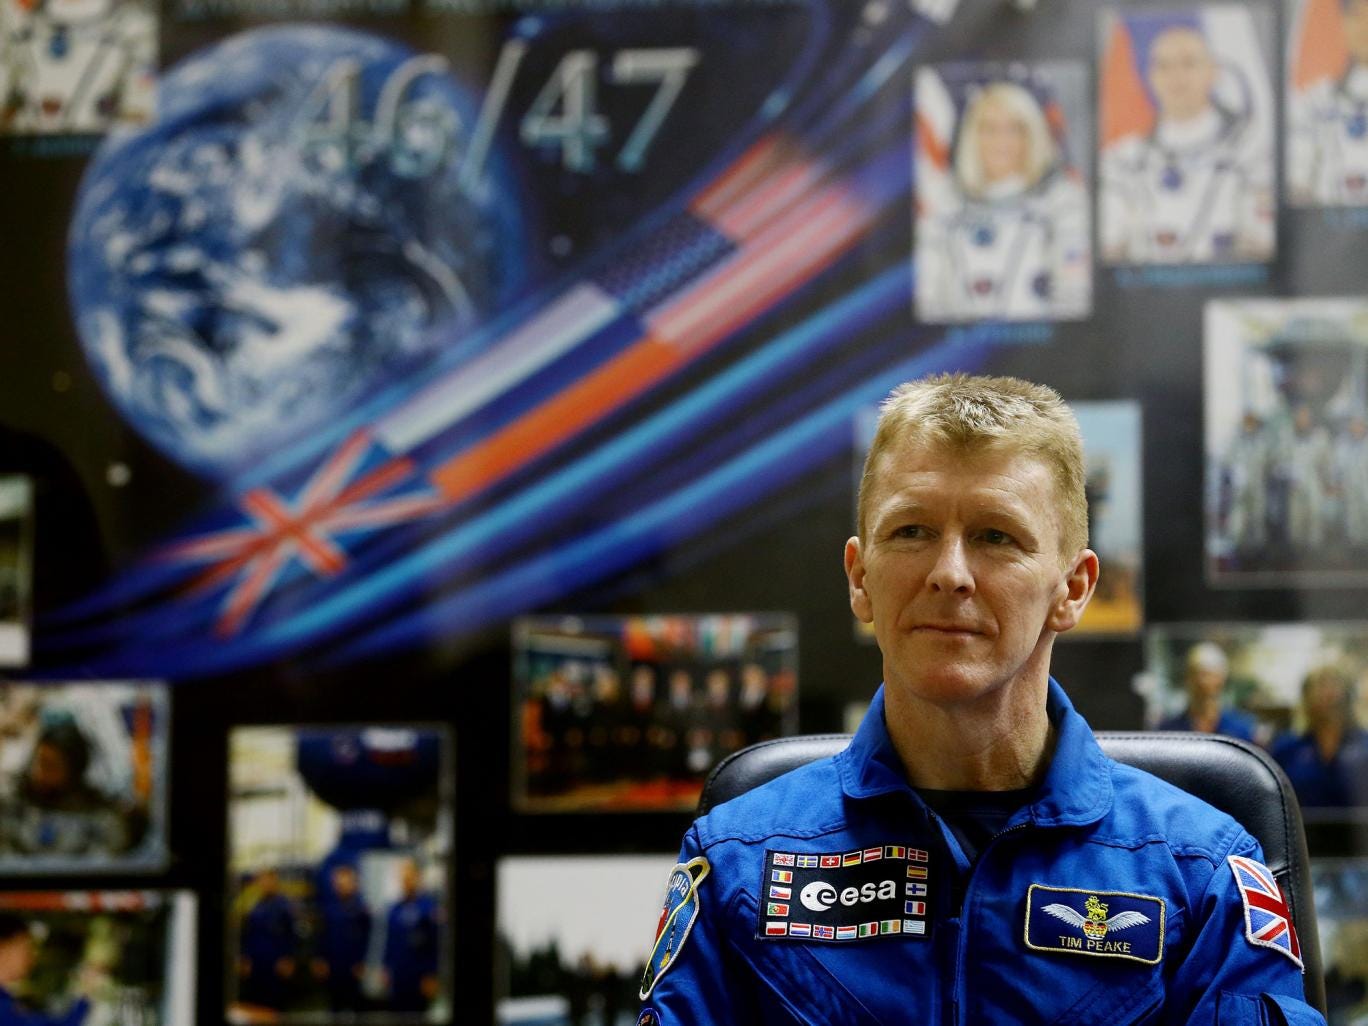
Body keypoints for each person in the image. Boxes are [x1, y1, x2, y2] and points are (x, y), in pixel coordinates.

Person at [638, 374, 1324, 1024]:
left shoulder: (1199, 872)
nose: (949, 573)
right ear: (859, 577)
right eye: (911, 531)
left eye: (996, 536)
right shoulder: (738, 857)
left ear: (1074, 588)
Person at [916, 79, 1090, 321]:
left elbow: (1075, 293)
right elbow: (927, 295)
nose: (1001, 141)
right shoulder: (945, 206)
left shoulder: (1063, 201)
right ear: (972, 137)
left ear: (1031, 136)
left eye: (1014, 129)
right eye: (989, 129)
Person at [1101, 22, 1275, 263]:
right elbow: (1108, 250)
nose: (1176, 76)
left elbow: (1267, 245)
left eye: (1188, 63)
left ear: (1213, 73)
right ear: (1150, 77)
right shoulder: (1121, 159)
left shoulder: (1253, 147)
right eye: (1164, 66)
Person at [1287, 0, 1368, 206]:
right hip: (1328, 229)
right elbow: (1296, 178)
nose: (1364, 27)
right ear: (1343, 23)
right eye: (1356, 16)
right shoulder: (1315, 99)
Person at [1273, 665, 1368, 810]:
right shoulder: (1287, 749)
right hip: (1304, 830)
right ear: (1306, 698)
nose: (1329, 695)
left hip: (1358, 831)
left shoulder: (1364, 747)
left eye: (1335, 686)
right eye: (1320, 687)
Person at [1158, 641, 1262, 743]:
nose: (1201, 682)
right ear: (1187, 679)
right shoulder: (1169, 732)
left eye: (1207, 675)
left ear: (1222, 679)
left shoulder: (1241, 729)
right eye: (1195, 674)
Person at [0, 914, 88, 1026]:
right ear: (3, 947)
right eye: (26, 948)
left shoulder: (7, 1000)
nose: (31, 957)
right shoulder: (3, 1006)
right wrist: (86, 997)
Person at [381, 858, 440, 1015]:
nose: (406, 881)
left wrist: (432, 974)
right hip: (399, 978)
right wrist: (385, 968)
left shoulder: (429, 908)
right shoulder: (393, 909)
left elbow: (436, 944)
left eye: (409, 876)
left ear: (417, 877)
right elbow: (389, 943)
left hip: (420, 979)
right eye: (403, 877)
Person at [311, 863, 372, 1015]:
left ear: (354, 883)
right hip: (333, 968)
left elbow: (369, 940)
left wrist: (364, 962)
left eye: (346, 881)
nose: (342, 885)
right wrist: (319, 959)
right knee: (334, 1009)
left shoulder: (362, 909)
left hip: (355, 969)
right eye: (338, 882)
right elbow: (321, 936)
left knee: (358, 1010)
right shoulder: (328, 908)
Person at [237, 868, 299, 1012]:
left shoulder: (284, 905)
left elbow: (292, 935)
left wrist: (288, 959)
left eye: (267, 879)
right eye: (261, 880)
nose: (264, 883)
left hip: (277, 965)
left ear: (274, 881)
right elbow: (248, 933)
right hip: (256, 965)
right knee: (256, 1006)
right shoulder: (255, 905)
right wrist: (244, 958)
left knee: (275, 1007)